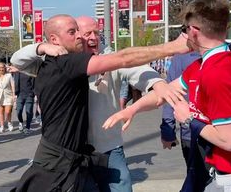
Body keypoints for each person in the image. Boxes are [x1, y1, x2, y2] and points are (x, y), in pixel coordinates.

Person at [103, 0, 231, 192]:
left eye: (184, 30)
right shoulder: (202, 65)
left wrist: (189, 119)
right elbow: (165, 93)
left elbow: (230, 141)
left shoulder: (219, 73)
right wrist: (132, 110)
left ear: (193, 31)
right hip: (224, 173)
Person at [10, 14, 188, 192]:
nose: (91, 37)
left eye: (97, 33)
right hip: (69, 156)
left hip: (106, 148)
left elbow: (135, 66)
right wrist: (42, 46)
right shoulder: (63, 61)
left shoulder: (102, 56)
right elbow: (17, 59)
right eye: (81, 33)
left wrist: (158, 83)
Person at [0, 62, 15, 133]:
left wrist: (14, 95)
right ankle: (2, 126)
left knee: (7, 111)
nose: (1, 69)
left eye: (3, 67)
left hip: (8, 96)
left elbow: (12, 85)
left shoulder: (9, 75)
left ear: (5, 68)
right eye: (0, 68)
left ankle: (9, 123)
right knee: (0, 112)